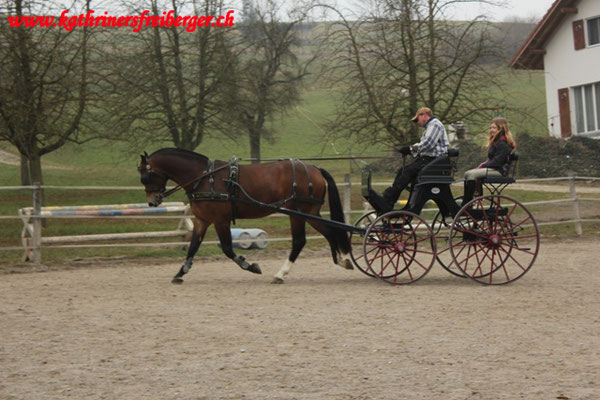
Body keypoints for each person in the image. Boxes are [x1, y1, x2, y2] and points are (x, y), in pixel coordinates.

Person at [368, 107, 449, 214]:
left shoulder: (434, 124)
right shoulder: (430, 127)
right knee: (402, 171)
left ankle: (388, 198)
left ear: (424, 115)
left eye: (417, 119)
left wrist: (410, 149)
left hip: (434, 161)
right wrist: (409, 149)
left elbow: (428, 144)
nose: (417, 123)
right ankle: (389, 200)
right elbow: (424, 146)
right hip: (429, 160)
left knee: (407, 172)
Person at [462, 117, 516, 203]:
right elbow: (492, 160)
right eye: (491, 128)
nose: (491, 130)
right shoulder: (497, 142)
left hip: (499, 171)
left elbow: (497, 162)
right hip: (494, 169)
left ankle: (468, 203)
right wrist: (482, 165)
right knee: (467, 173)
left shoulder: (502, 144)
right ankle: (469, 200)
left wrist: (482, 166)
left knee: (472, 175)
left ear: (501, 129)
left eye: (494, 128)